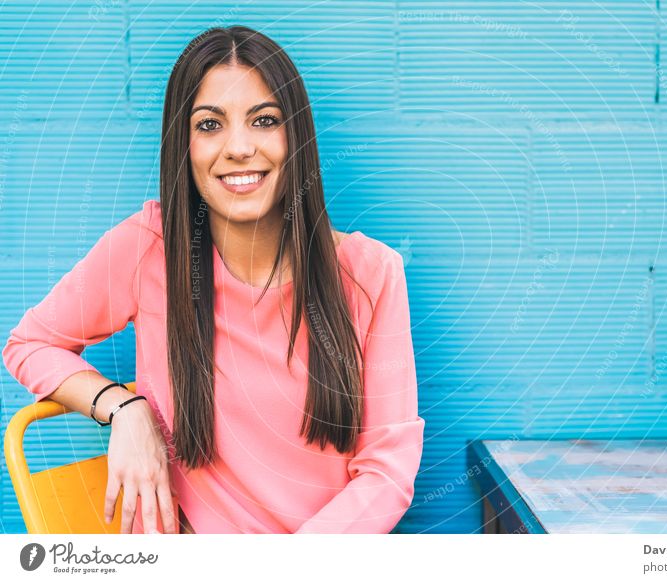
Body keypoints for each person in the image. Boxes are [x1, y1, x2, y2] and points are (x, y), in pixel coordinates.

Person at [2, 25, 424, 534]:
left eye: (263, 121)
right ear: (184, 144)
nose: (239, 147)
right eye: (210, 125)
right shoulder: (148, 249)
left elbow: (388, 470)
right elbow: (30, 343)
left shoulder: (370, 274)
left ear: (295, 136)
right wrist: (123, 408)